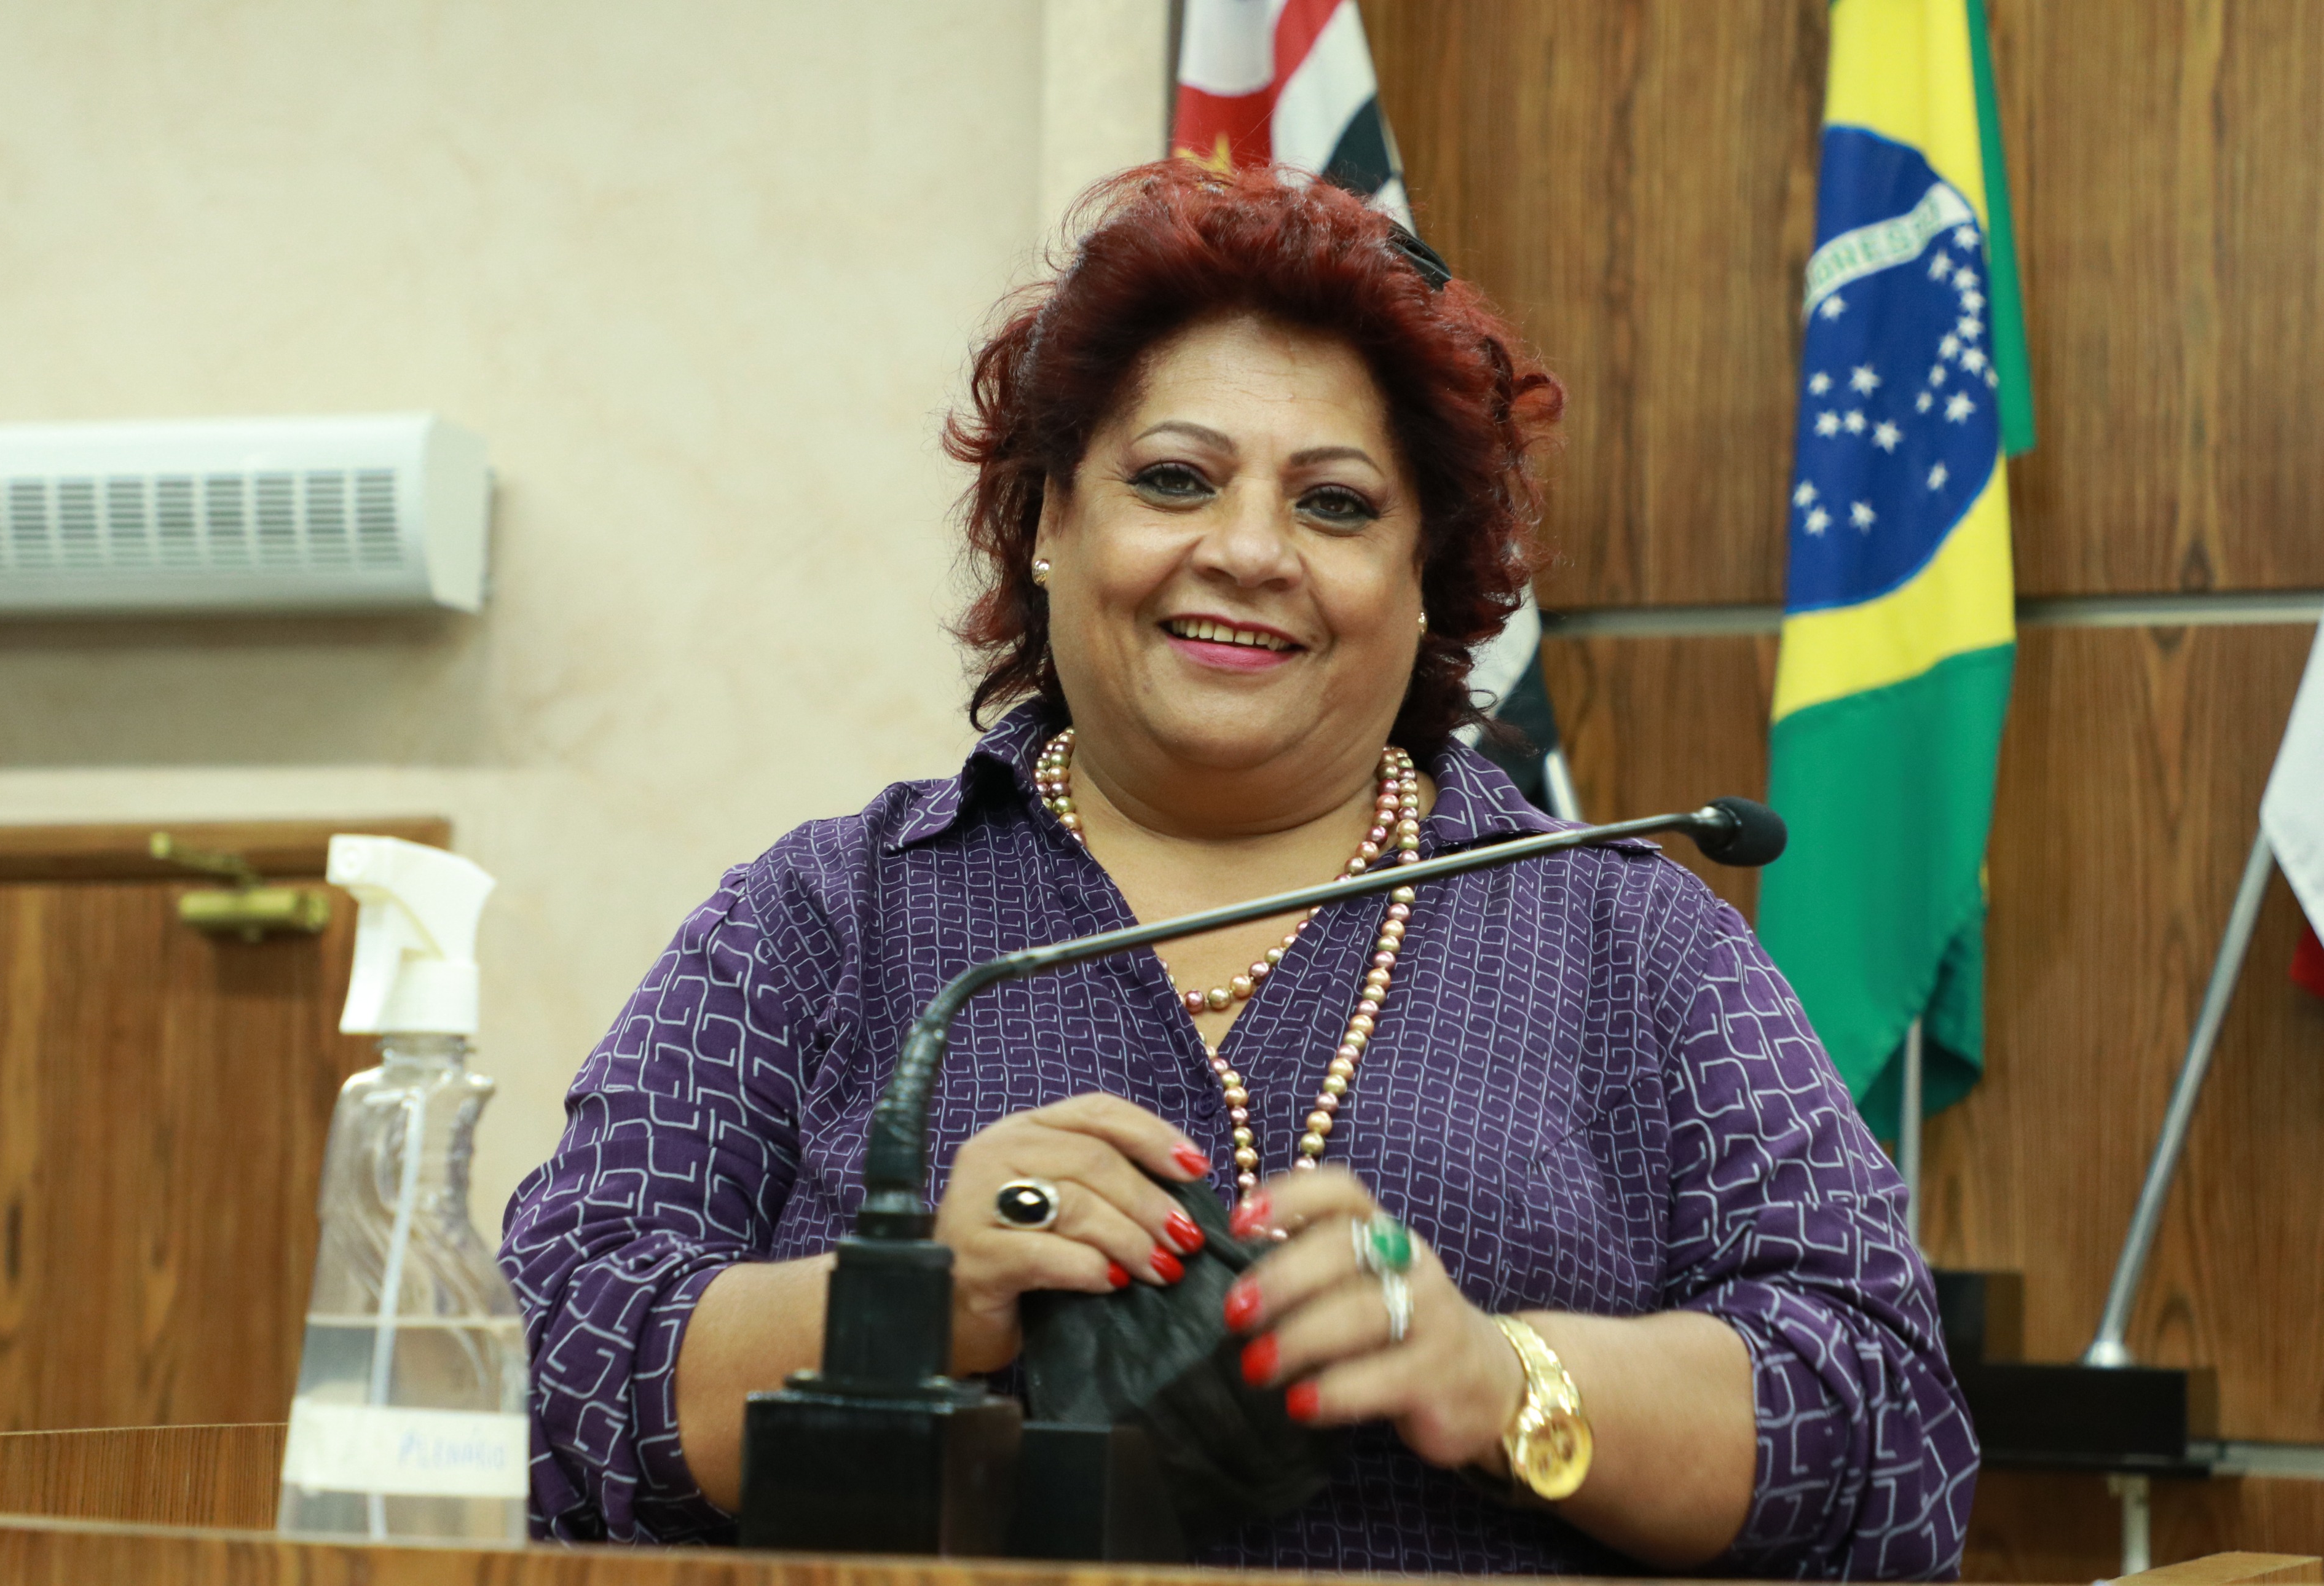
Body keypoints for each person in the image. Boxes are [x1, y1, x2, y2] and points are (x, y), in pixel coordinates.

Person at [501, 161, 1975, 1576]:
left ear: (1422, 576)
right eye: (1174, 479)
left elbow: (1892, 1439)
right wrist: (908, 1305)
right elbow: (542, 1375)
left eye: (1335, 503)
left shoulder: (1628, 938)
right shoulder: (827, 917)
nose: (1250, 550)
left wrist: (1505, 1375)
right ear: (1049, 523)